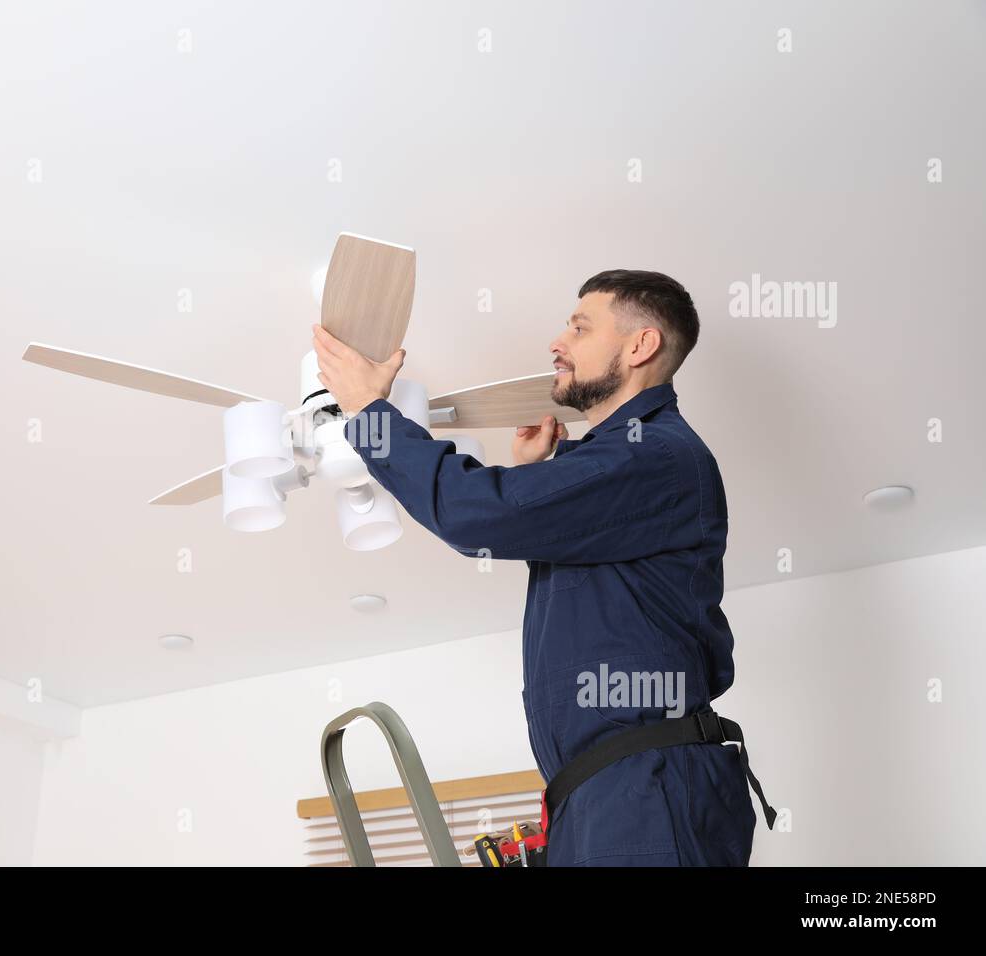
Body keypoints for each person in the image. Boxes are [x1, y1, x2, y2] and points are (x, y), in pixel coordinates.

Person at [311, 269, 773, 866]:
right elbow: (581, 544)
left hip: (644, 786)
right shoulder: (634, 464)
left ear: (640, 346)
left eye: (580, 327)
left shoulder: (655, 454)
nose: (558, 342)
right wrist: (544, 471)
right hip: (602, 793)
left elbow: (473, 513)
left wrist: (370, 413)